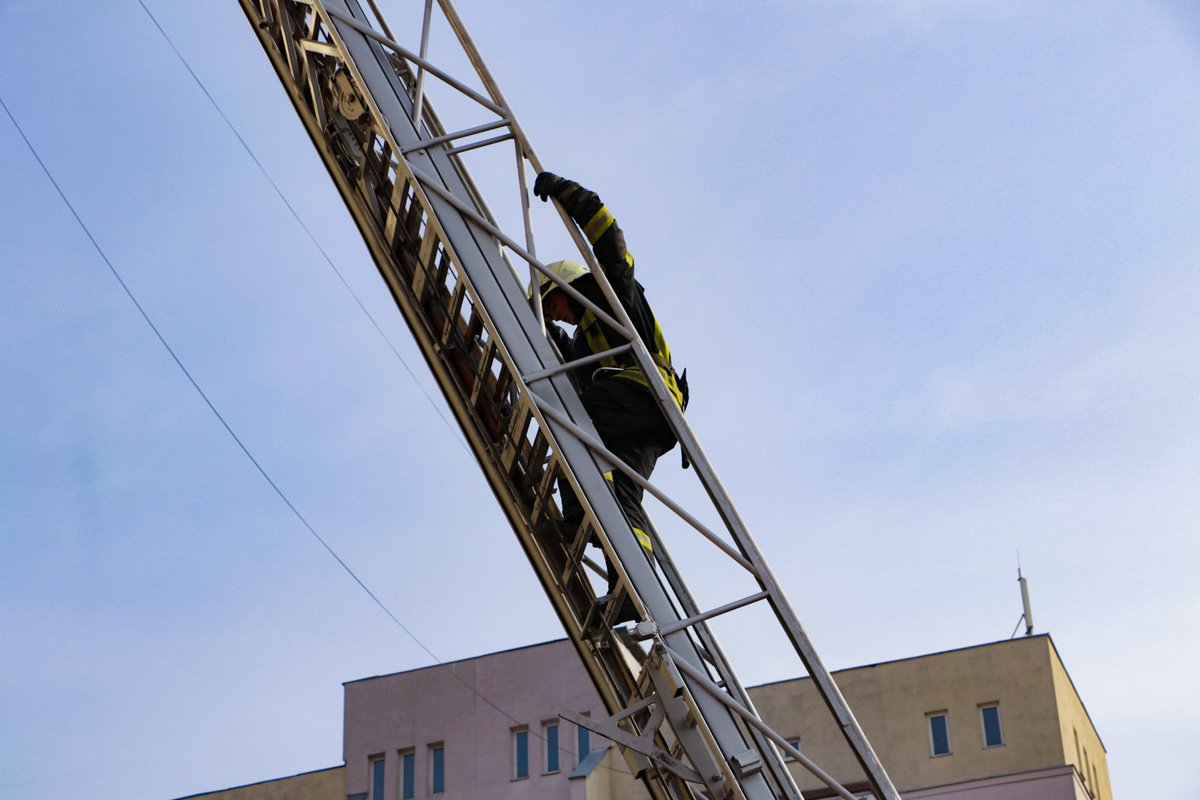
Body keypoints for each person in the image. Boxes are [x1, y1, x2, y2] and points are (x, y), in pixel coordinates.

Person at [529, 172, 687, 586]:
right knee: (624, 496)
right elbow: (564, 356)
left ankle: (577, 515)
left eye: (553, 303)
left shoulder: (608, 290)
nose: (556, 314)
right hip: (651, 420)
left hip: (645, 391)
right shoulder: (584, 346)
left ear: (566, 285)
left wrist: (567, 193)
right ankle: (633, 581)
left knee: (565, 419)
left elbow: (608, 236)